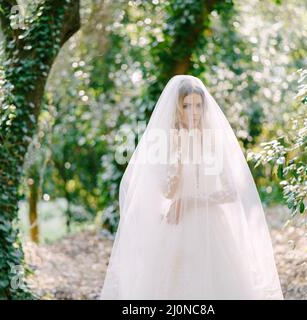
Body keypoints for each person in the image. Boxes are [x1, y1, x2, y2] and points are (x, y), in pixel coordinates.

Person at [100, 75, 283, 299]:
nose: (193, 112)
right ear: (178, 108)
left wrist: (192, 201)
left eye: (198, 105)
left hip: (213, 225)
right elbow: (167, 192)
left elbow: (232, 191)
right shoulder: (165, 141)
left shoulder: (212, 140)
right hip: (176, 227)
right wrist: (177, 156)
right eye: (187, 105)